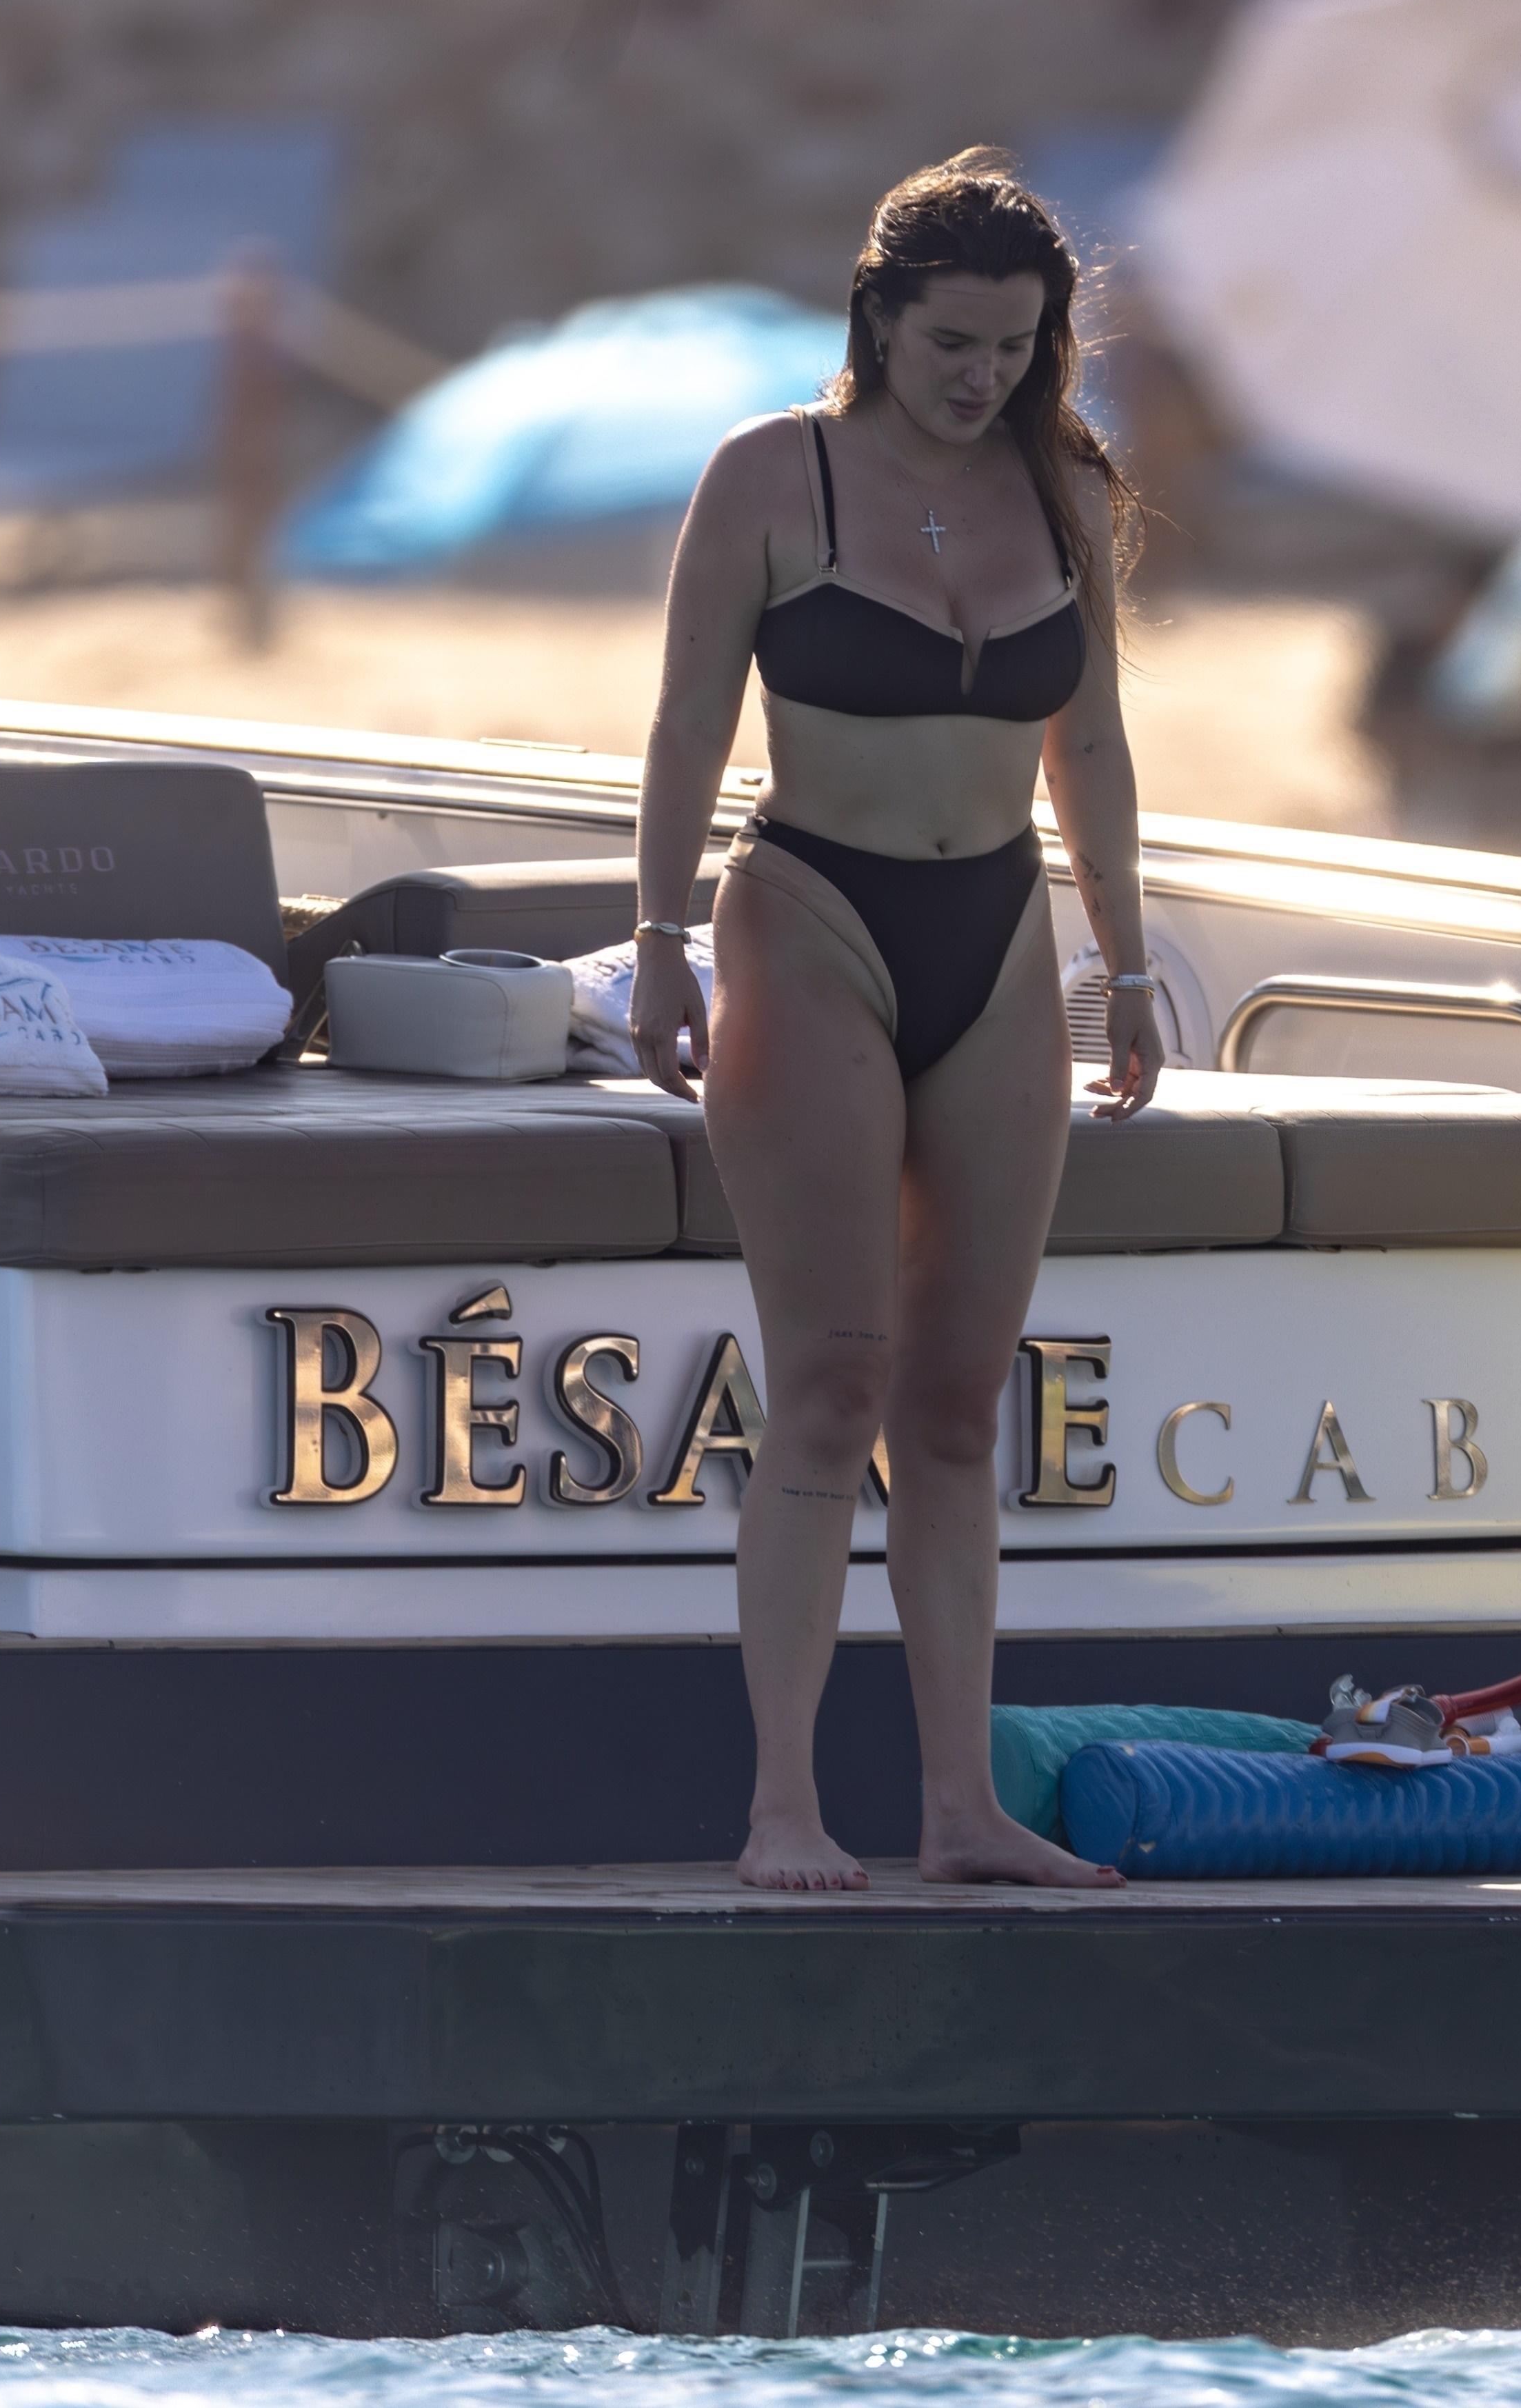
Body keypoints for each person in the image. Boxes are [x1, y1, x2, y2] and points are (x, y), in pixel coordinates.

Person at [632, 148, 1162, 1891]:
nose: (982, 376)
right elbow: (688, 721)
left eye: (1016, 346)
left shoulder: (1064, 483)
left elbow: (1093, 743)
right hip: (812, 920)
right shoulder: (770, 474)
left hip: (997, 934)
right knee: (832, 1377)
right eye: (952, 343)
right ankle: (783, 1805)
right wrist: (655, 937)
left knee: (951, 1404)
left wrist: (1127, 960)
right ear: (877, 318)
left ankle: (959, 1810)